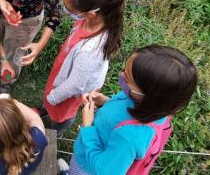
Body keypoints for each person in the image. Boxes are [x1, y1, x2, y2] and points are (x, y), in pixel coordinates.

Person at [69, 45, 199, 175]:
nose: (121, 75)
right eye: (124, 71)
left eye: (128, 79)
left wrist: (87, 127)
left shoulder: (130, 137)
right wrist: (105, 101)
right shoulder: (149, 105)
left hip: (86, 167)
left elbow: (103, 171)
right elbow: (124, 114)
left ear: (149, 96)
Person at [41, 0, 126, 136]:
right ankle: (46, 109)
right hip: (65, 75)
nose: (64, 10)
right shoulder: (91, 20)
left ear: (90, 13)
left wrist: (52, 98)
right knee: (51, 102)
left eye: (68, 8)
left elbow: (74, 85)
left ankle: (55, 133)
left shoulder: (91, 52)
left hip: (68, 91)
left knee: (61, 115)